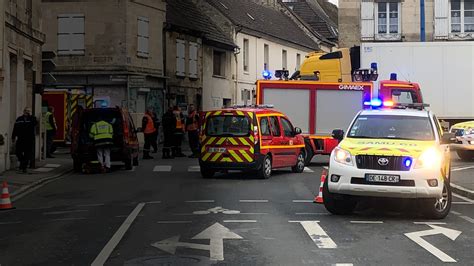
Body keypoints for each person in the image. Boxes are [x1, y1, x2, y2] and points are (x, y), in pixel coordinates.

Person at [12, 107, 37, 174]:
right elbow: (15, 128)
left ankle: (24, 168)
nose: (27, 112)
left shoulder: (32, 118)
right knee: (18, 152)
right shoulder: (19, 119)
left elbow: (35, 123)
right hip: (20, 138)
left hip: (29, 139)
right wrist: (13, 137)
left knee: (27, 154)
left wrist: (30, 116)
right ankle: (22, 163)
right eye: (26, 111)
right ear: (23, 111)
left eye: (28, 111)